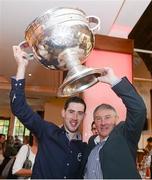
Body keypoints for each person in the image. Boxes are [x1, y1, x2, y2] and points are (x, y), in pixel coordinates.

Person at [10, 46, 88, 178]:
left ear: (84, 116)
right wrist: (21, 66)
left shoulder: (83, 148)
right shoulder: (48, 131)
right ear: (63, 113)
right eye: (71, 112)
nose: (75, 117)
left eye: (80, 113)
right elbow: (19, 107)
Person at [83, 67, 146, 179]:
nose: (103, 122)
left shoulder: (124, 135)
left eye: (107, 117)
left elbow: (138, 109)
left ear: (116, 119)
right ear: (94, 123)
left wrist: (114, 81)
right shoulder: (92, 142)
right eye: (98, 118)